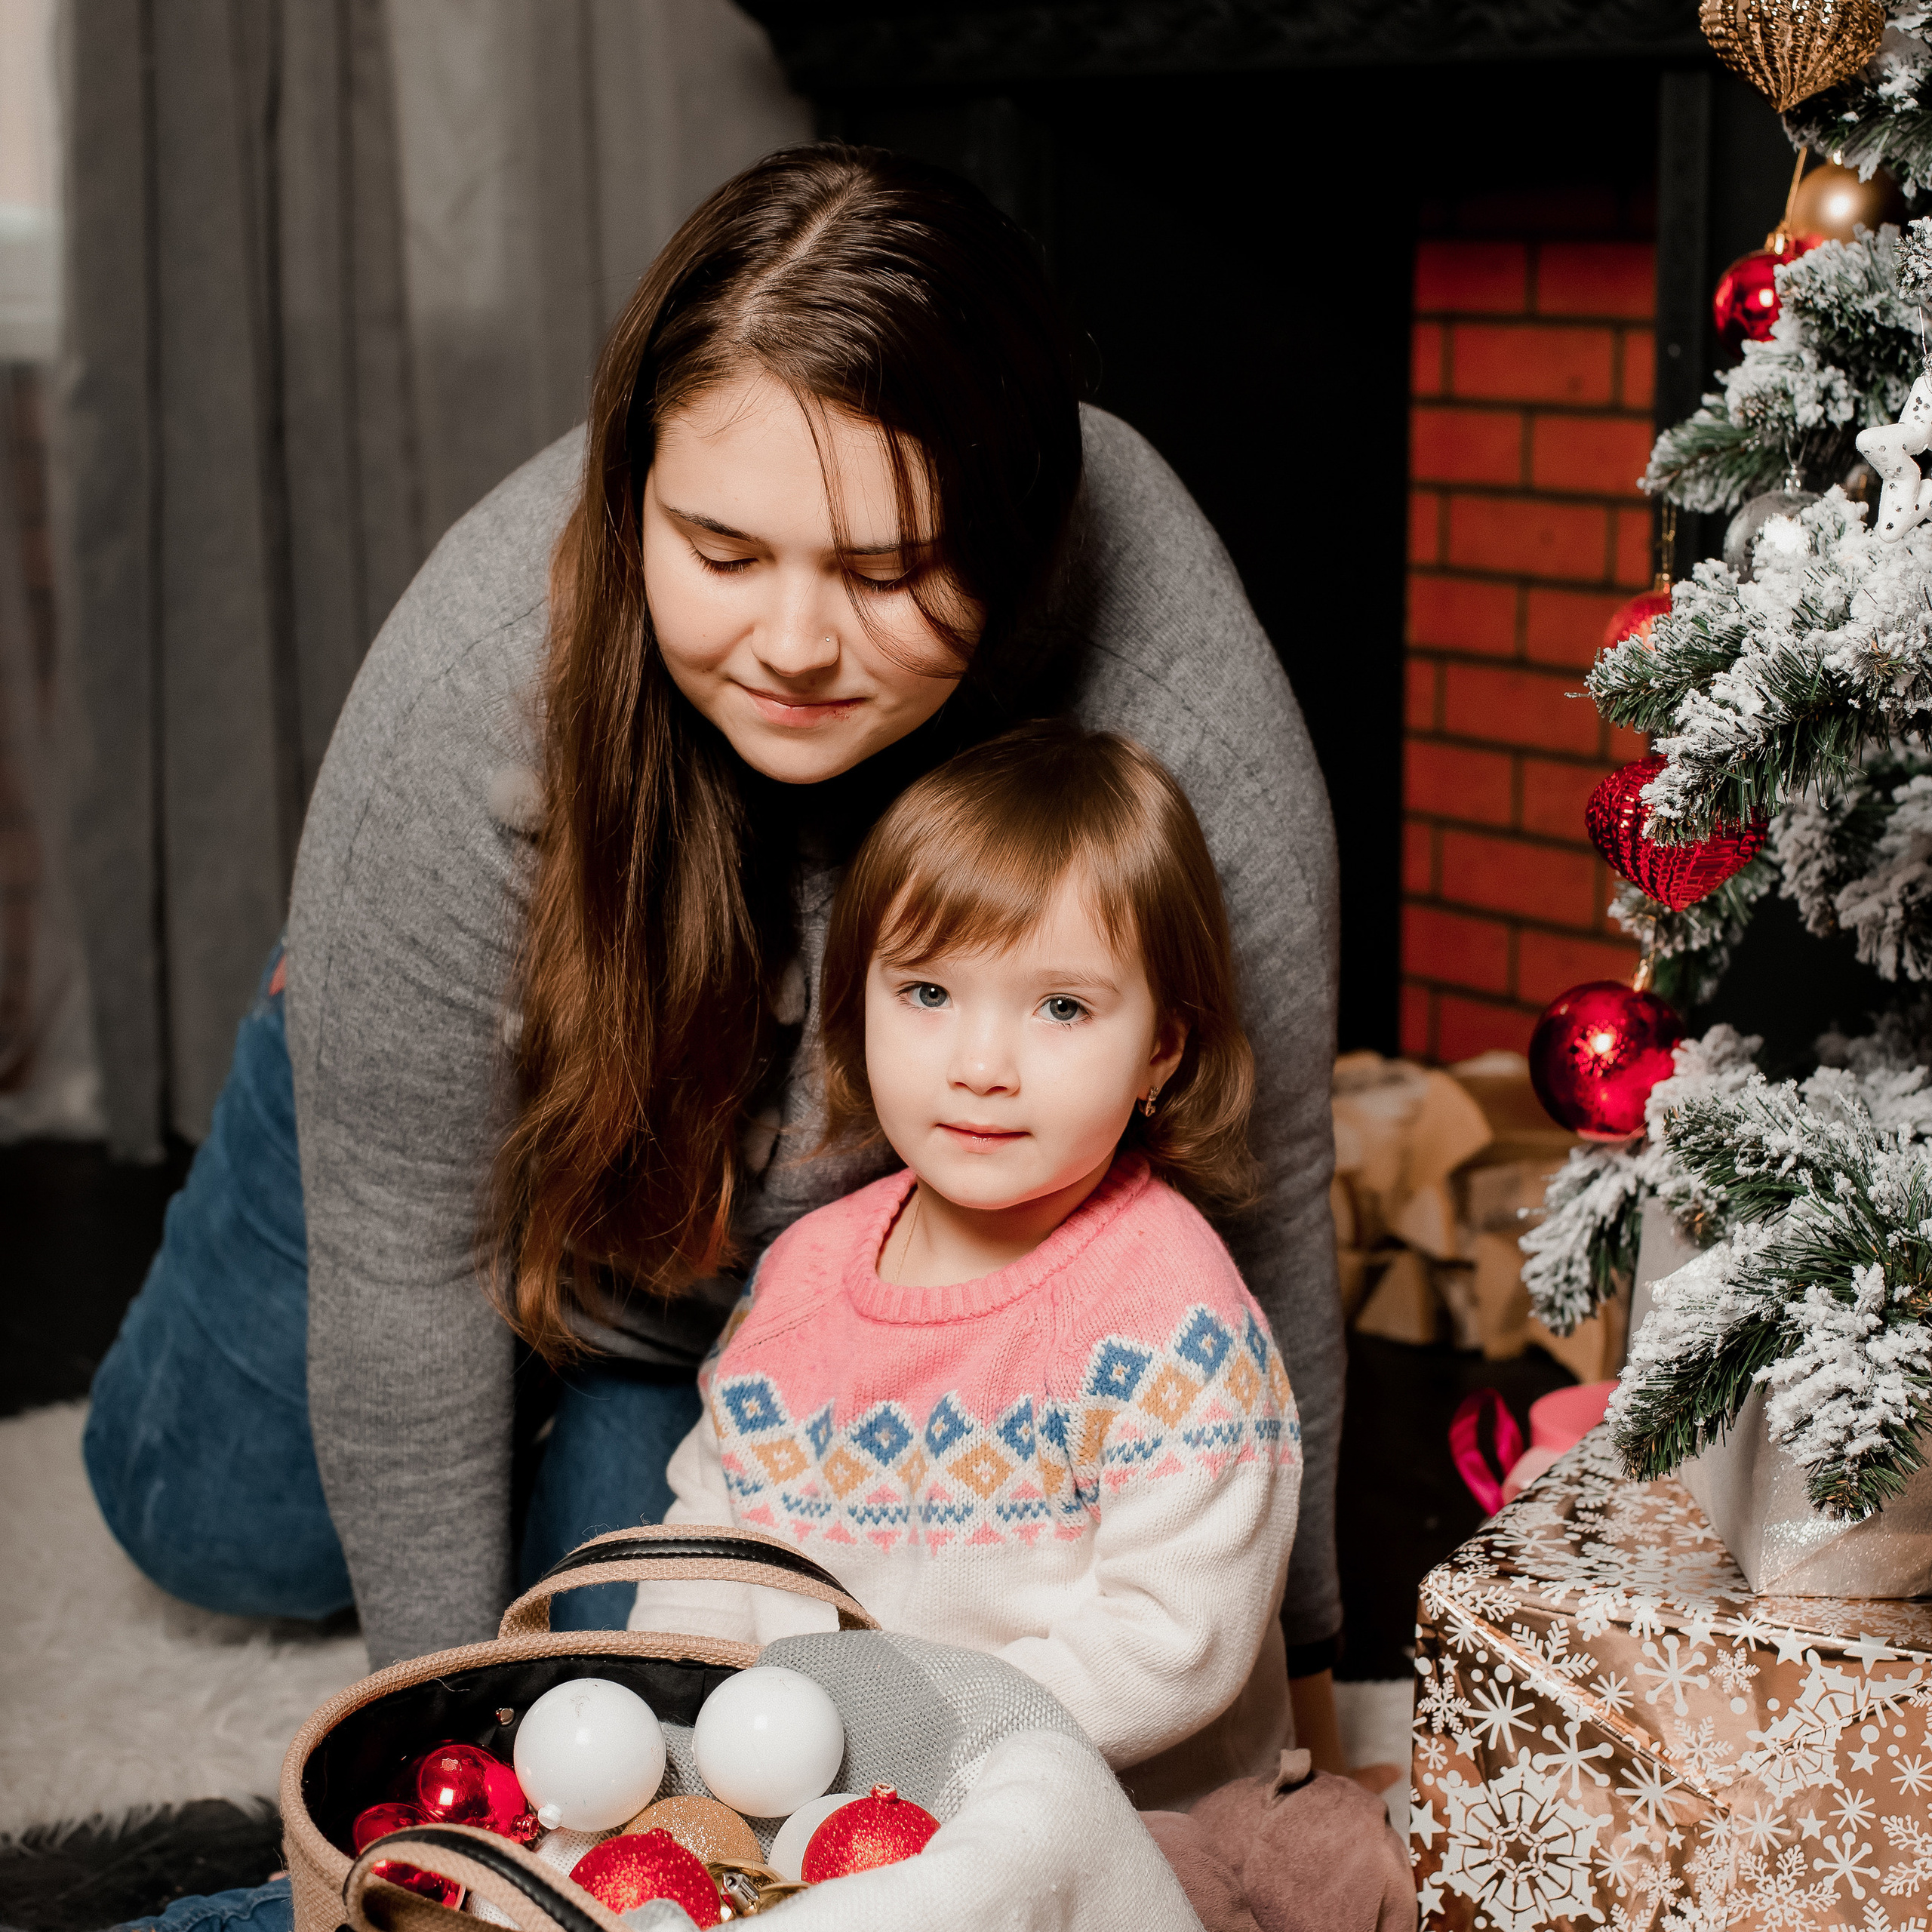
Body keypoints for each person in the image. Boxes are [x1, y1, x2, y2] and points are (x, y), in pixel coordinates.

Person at [83, 141, 1349, 1767]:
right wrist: (437, 1753)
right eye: (725, 553)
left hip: (770, 1288)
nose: (796, 645)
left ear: (1018, 533)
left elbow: (1271, 1188)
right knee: (228, 1531)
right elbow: (404, 1262)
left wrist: (1314, 1686)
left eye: (886, 572)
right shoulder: (468, 692)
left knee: (655, 1688)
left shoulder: (1170, 673)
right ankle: (341, 1032)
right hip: (494, 1143)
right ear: (634, 494)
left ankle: (583, 1387)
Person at [630, 724, 1299, 1812]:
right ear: (858, 1001)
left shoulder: (1169, 1315)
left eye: (1062, 1007)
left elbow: (1172, 1641)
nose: (982, 1067)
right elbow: (708, 1550)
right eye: (929, 994)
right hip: (821, 1802)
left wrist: (893, 1754)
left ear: (1161, 1050)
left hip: (1106, 1814)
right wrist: (680, 1744)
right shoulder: (802, 1280)